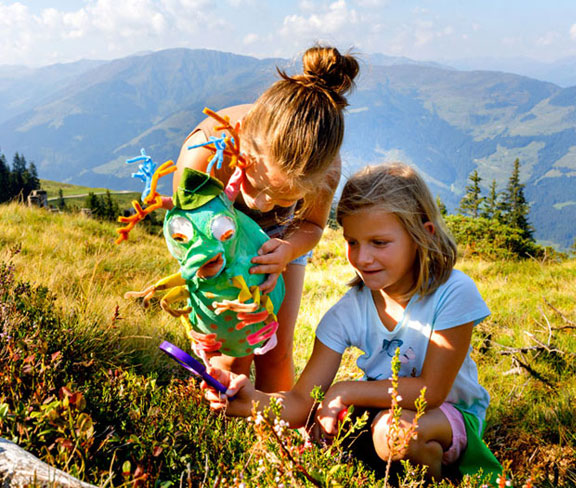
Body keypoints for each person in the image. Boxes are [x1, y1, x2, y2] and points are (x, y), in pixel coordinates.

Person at [203, 162, 502, 483]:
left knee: (393, 432)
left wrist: (344, 390)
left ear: (422, 236)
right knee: (358, 429)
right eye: (352, 241)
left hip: (452, 418)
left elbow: (431, 393)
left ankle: (444, 478)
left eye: (379, 242)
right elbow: (302, 401)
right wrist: (252, 400)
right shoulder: (349, 311)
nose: (362, 258)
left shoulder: (452, 292)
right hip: (380, 416)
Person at [172, 45, 360, 393]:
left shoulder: (325, 169)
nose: (261, 202)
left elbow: (314, 226)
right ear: (242, 140)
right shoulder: (204, 154)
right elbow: (189, 241)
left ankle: (276, 430)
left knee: (274, 348)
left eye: (283, 198)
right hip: (215, 244)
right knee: (230, 353)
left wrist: (287, 251)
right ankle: (223, 433)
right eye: (258, 185)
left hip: (282, 239)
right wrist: (203, 307)